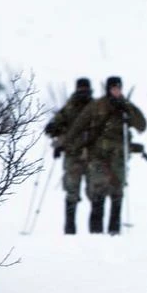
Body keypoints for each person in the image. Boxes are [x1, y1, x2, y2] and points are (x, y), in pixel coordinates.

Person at [62, 76, 147, 235]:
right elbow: (79, 125)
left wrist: (126, 107)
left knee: (117, 193)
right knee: (98, 194)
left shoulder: (126, 106)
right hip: (98, 157)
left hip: (118, 158)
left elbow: (142, 125)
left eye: (118, 88)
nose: (116, 91)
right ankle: (96, 232)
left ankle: (114, 230)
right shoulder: (97, 106)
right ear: (108, 88)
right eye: (113, 88)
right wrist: (65, 144)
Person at [44, 78, 94, 234]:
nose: (83, 92)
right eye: (81, 89)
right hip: (73, 155)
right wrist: (53, 129)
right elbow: (57, 124)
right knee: (71, 191)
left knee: (95, 192)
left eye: (85, 89)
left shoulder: (96, 107)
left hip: (93, 156)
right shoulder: (69, 107)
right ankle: (70, 228)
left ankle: (96, 230)